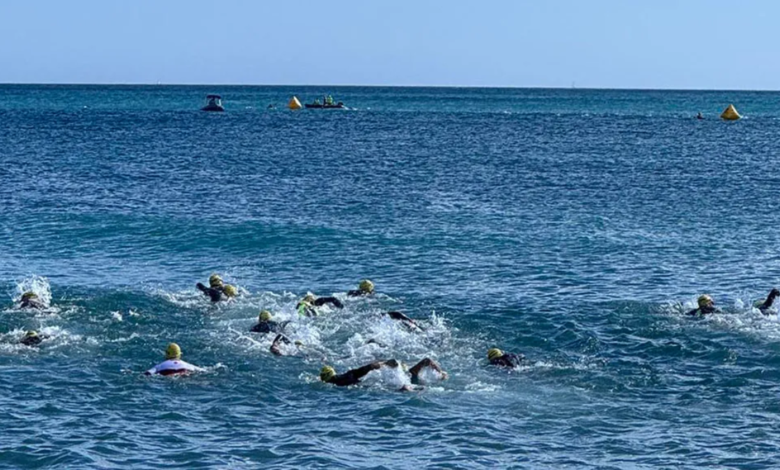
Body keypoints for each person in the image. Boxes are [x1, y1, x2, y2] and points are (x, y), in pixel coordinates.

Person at [320, 358, 446, 389]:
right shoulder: (345, 376)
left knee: (404, 387)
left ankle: (440, 376)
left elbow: (359, 372)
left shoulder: (339, 381)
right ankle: (441, 375)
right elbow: (359, 371)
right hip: (407, 378)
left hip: (408, 382)